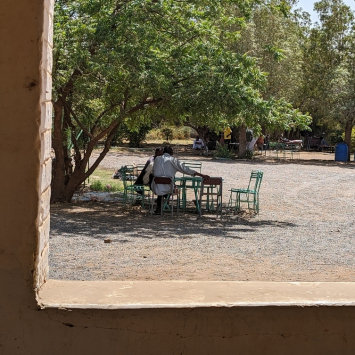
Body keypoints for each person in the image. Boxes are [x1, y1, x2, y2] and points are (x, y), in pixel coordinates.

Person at [151, 146, 209, 214]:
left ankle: (159, 207)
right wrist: (201, 175)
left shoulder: (157, 159)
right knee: (168, 184)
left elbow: (154, 171)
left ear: (163, 152)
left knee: (161, 184)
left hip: (156, 186)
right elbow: (186, 170)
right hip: (169, 187)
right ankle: (163, 206)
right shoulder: (173, 160)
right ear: (172, 153)